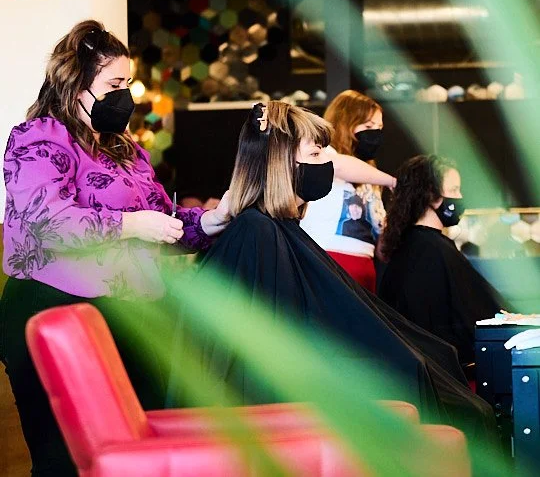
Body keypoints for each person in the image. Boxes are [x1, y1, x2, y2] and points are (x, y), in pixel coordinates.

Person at [193, 101, 497, 449]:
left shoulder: (277, 229)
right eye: (316, 153)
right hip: (297, 402)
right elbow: (278, 348)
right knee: (435, 383)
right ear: (281, 162)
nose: (328, 162)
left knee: (437, 358)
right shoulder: (259, 233)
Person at [0, 20, 230, 476]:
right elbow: (50, 222)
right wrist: (130, 225)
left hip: (132, 314)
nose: (126, 95)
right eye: (114, 84)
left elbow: (161, 221)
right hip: (56, 311)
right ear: (75, 85)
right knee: (67, 458)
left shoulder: (126, 150)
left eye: (128, 83)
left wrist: (212, 220)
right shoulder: (38, 139)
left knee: (137, 450)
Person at [378, 155, 504, 365]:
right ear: (430, 195)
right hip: (442, 368)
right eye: (454, 190)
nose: (460, 197)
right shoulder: (431, 249)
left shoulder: (414, 244)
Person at [300, 90, 388, 292]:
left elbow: (381, 245)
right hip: (329, 259)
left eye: (379, 128)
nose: (375, 133)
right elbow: (338, 166)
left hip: (365, 267)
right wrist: (392, 181)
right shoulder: (322, 154)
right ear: (345, 123)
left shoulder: (371, 176)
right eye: (368, 126)